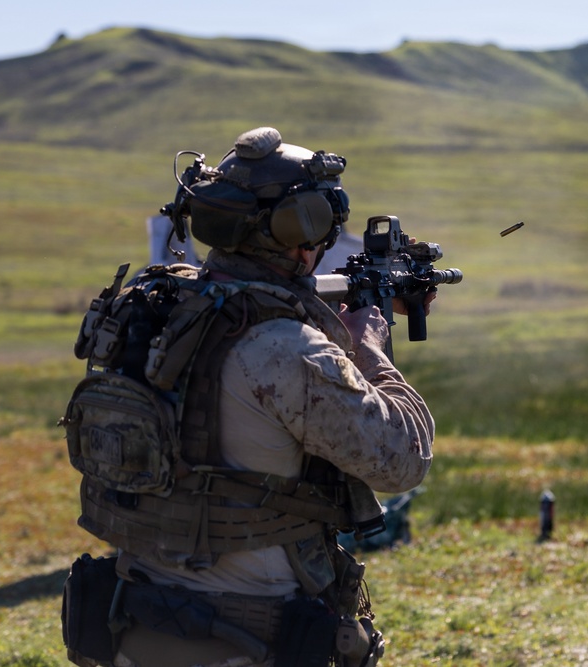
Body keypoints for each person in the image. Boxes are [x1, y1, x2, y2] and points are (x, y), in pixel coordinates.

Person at [63, 127, 435, 667]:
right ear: (302, 230)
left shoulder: (153, 308)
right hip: (248, 641)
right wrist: (369, 349)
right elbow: (403, 461)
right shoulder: (284, 348)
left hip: (132, 628)